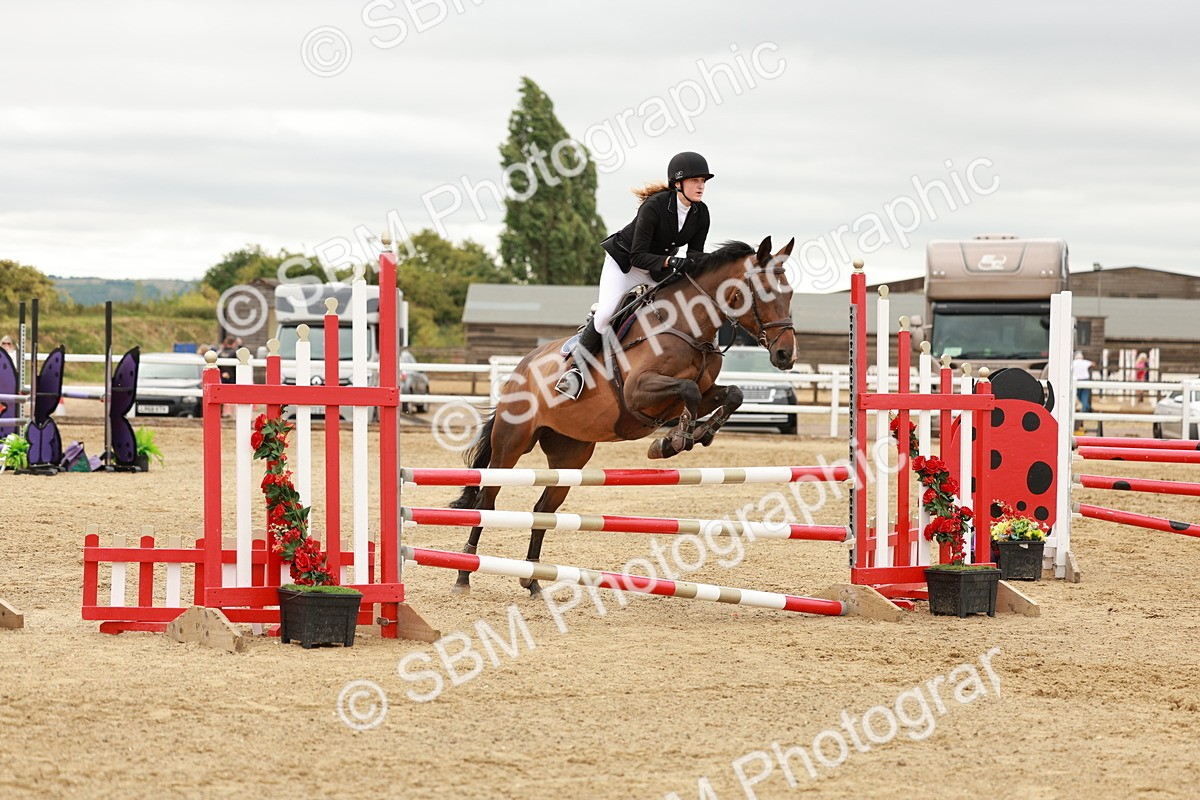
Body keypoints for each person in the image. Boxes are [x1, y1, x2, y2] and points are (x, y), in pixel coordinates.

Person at [555, 151, 713, 399]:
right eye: (695, 180)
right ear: (678, 183)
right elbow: (637, 255)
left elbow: (695, 256)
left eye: (703, 181)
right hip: (625, 263)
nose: (701, 186)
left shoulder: (701, 213)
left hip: (656, 269)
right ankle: (575, 371)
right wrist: (671, 260)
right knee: (606, 314)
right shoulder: (655, 206)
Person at [1073, 350, 1094, 415]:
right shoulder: (1085, 362)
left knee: (1079, 396)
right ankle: (1086, 409)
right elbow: (1093, 364)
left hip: (1077, 381)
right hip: (1085, 380)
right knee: (1084, 396)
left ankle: (1087, 408)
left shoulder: (1073, 363)